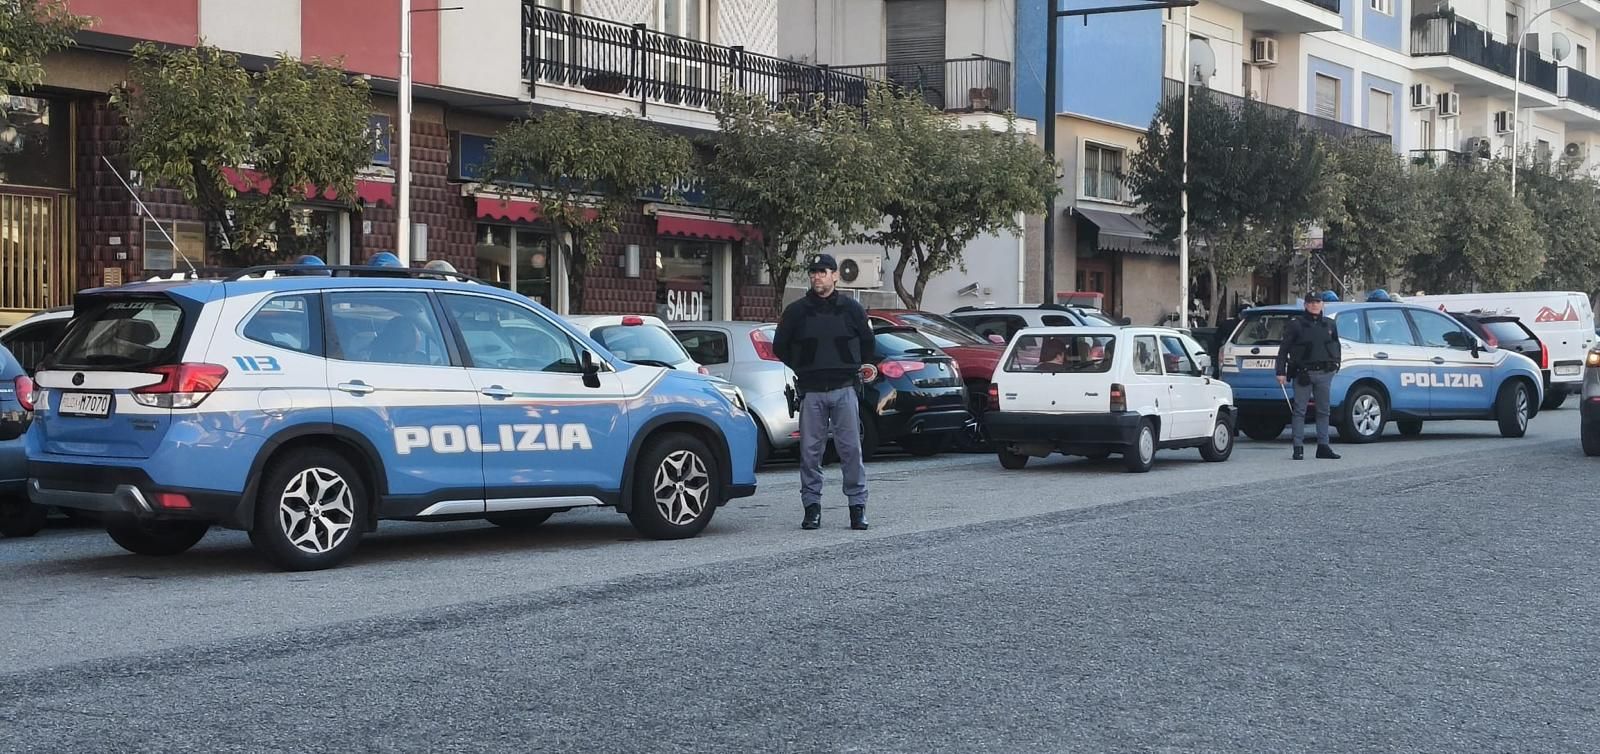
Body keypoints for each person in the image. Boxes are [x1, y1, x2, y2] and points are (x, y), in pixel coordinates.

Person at [772, 253, 876, 531]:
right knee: (809, 453)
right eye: (814, 272)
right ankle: (812, 508)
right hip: (812, 391)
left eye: (823, 271)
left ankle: (857, 508)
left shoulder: (852, 309)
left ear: (835, 276)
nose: (817, 276)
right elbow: (780, 346)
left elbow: (868, 344)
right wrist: (804, 366)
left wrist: (851, 366)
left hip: (844, 389)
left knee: (851, 450)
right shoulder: (797, 311)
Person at [1275, 291, 1343, 461]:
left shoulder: (1329, 324)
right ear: (1305, 305)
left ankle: (1323, 446)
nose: (1314, 305)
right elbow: (1284, 349)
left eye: (1317, 302)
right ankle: (1298, 448)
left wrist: (1336, 365)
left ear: (1323, 304)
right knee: (1299, 411)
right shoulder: (1296, 324)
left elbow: (1336, 345)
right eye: (1311, 302)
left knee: (1324, 411)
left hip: (1325, 373)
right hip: (1303, 373)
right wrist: (1280, 371)